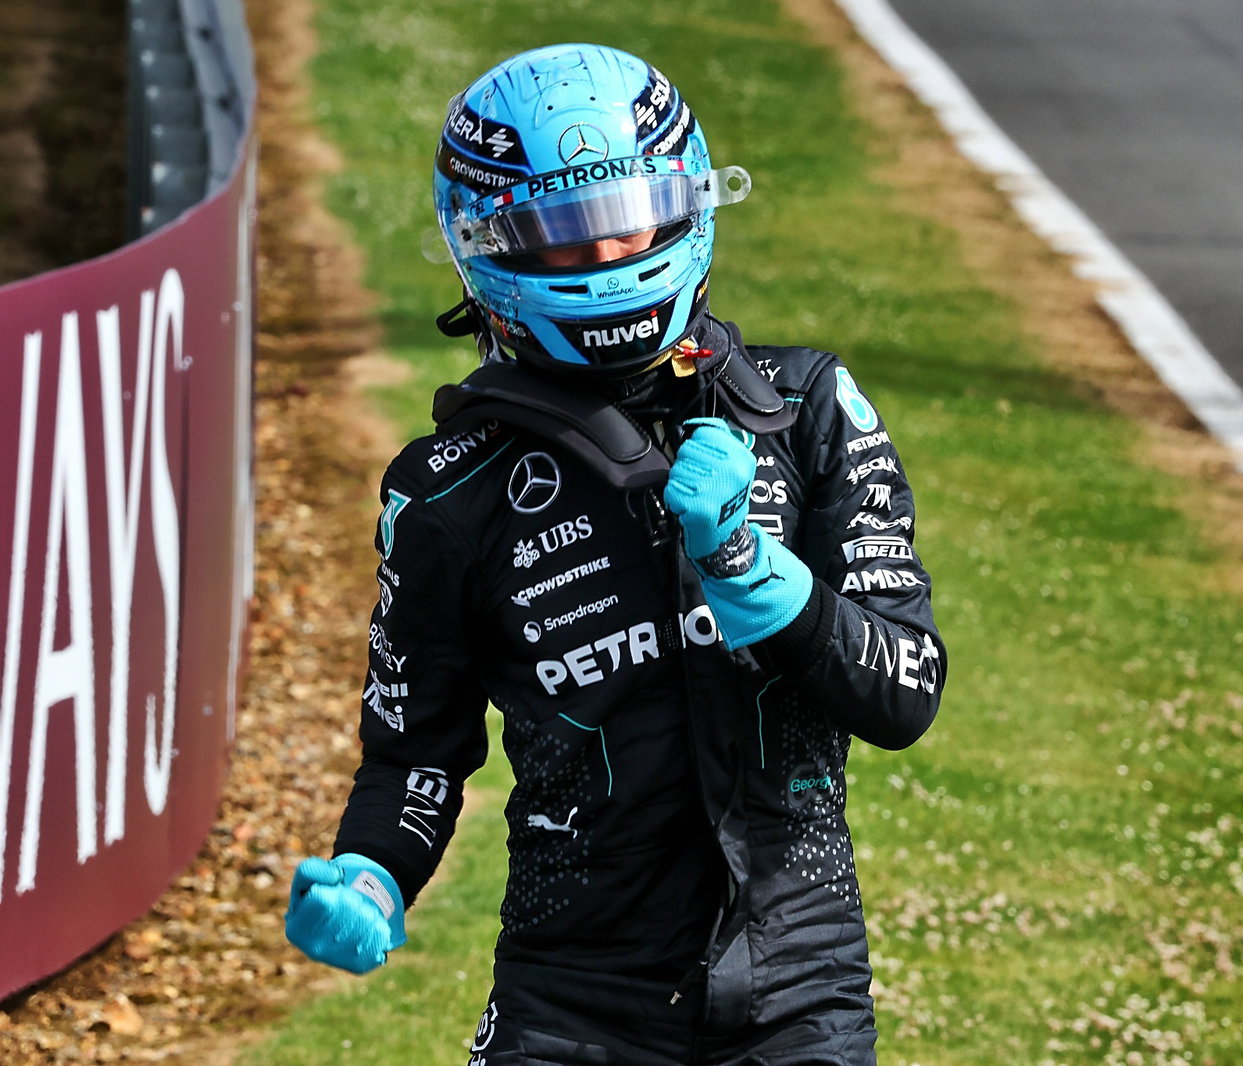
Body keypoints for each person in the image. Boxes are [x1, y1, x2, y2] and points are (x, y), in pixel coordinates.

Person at [283, 42, 945, 1066]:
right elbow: (415, 750)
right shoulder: (446, 490)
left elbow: (905, 690)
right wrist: (372, 873)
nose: (607, 259)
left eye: (629, 220)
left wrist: (746, 567)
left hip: (798, 984)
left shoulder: (808, 406)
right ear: (484, 246)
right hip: (571, 998)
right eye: (562, 237)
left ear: (691, 199)